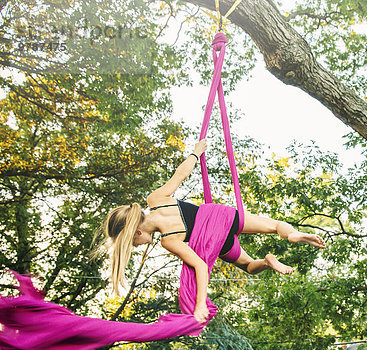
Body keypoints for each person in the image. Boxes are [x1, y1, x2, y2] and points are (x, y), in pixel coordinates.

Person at [101, 138, 326, 325]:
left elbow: (200, 264)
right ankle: (293, 234)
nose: (139, 246)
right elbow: (181, 174)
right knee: (276, 226)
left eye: (134, 243)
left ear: (137, 232)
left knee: (248, 266)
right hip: (220, 216)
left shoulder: (168, 240)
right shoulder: (155, 200)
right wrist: (195, 153)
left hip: (213, 240)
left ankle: (266, 262)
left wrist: (200, 304)